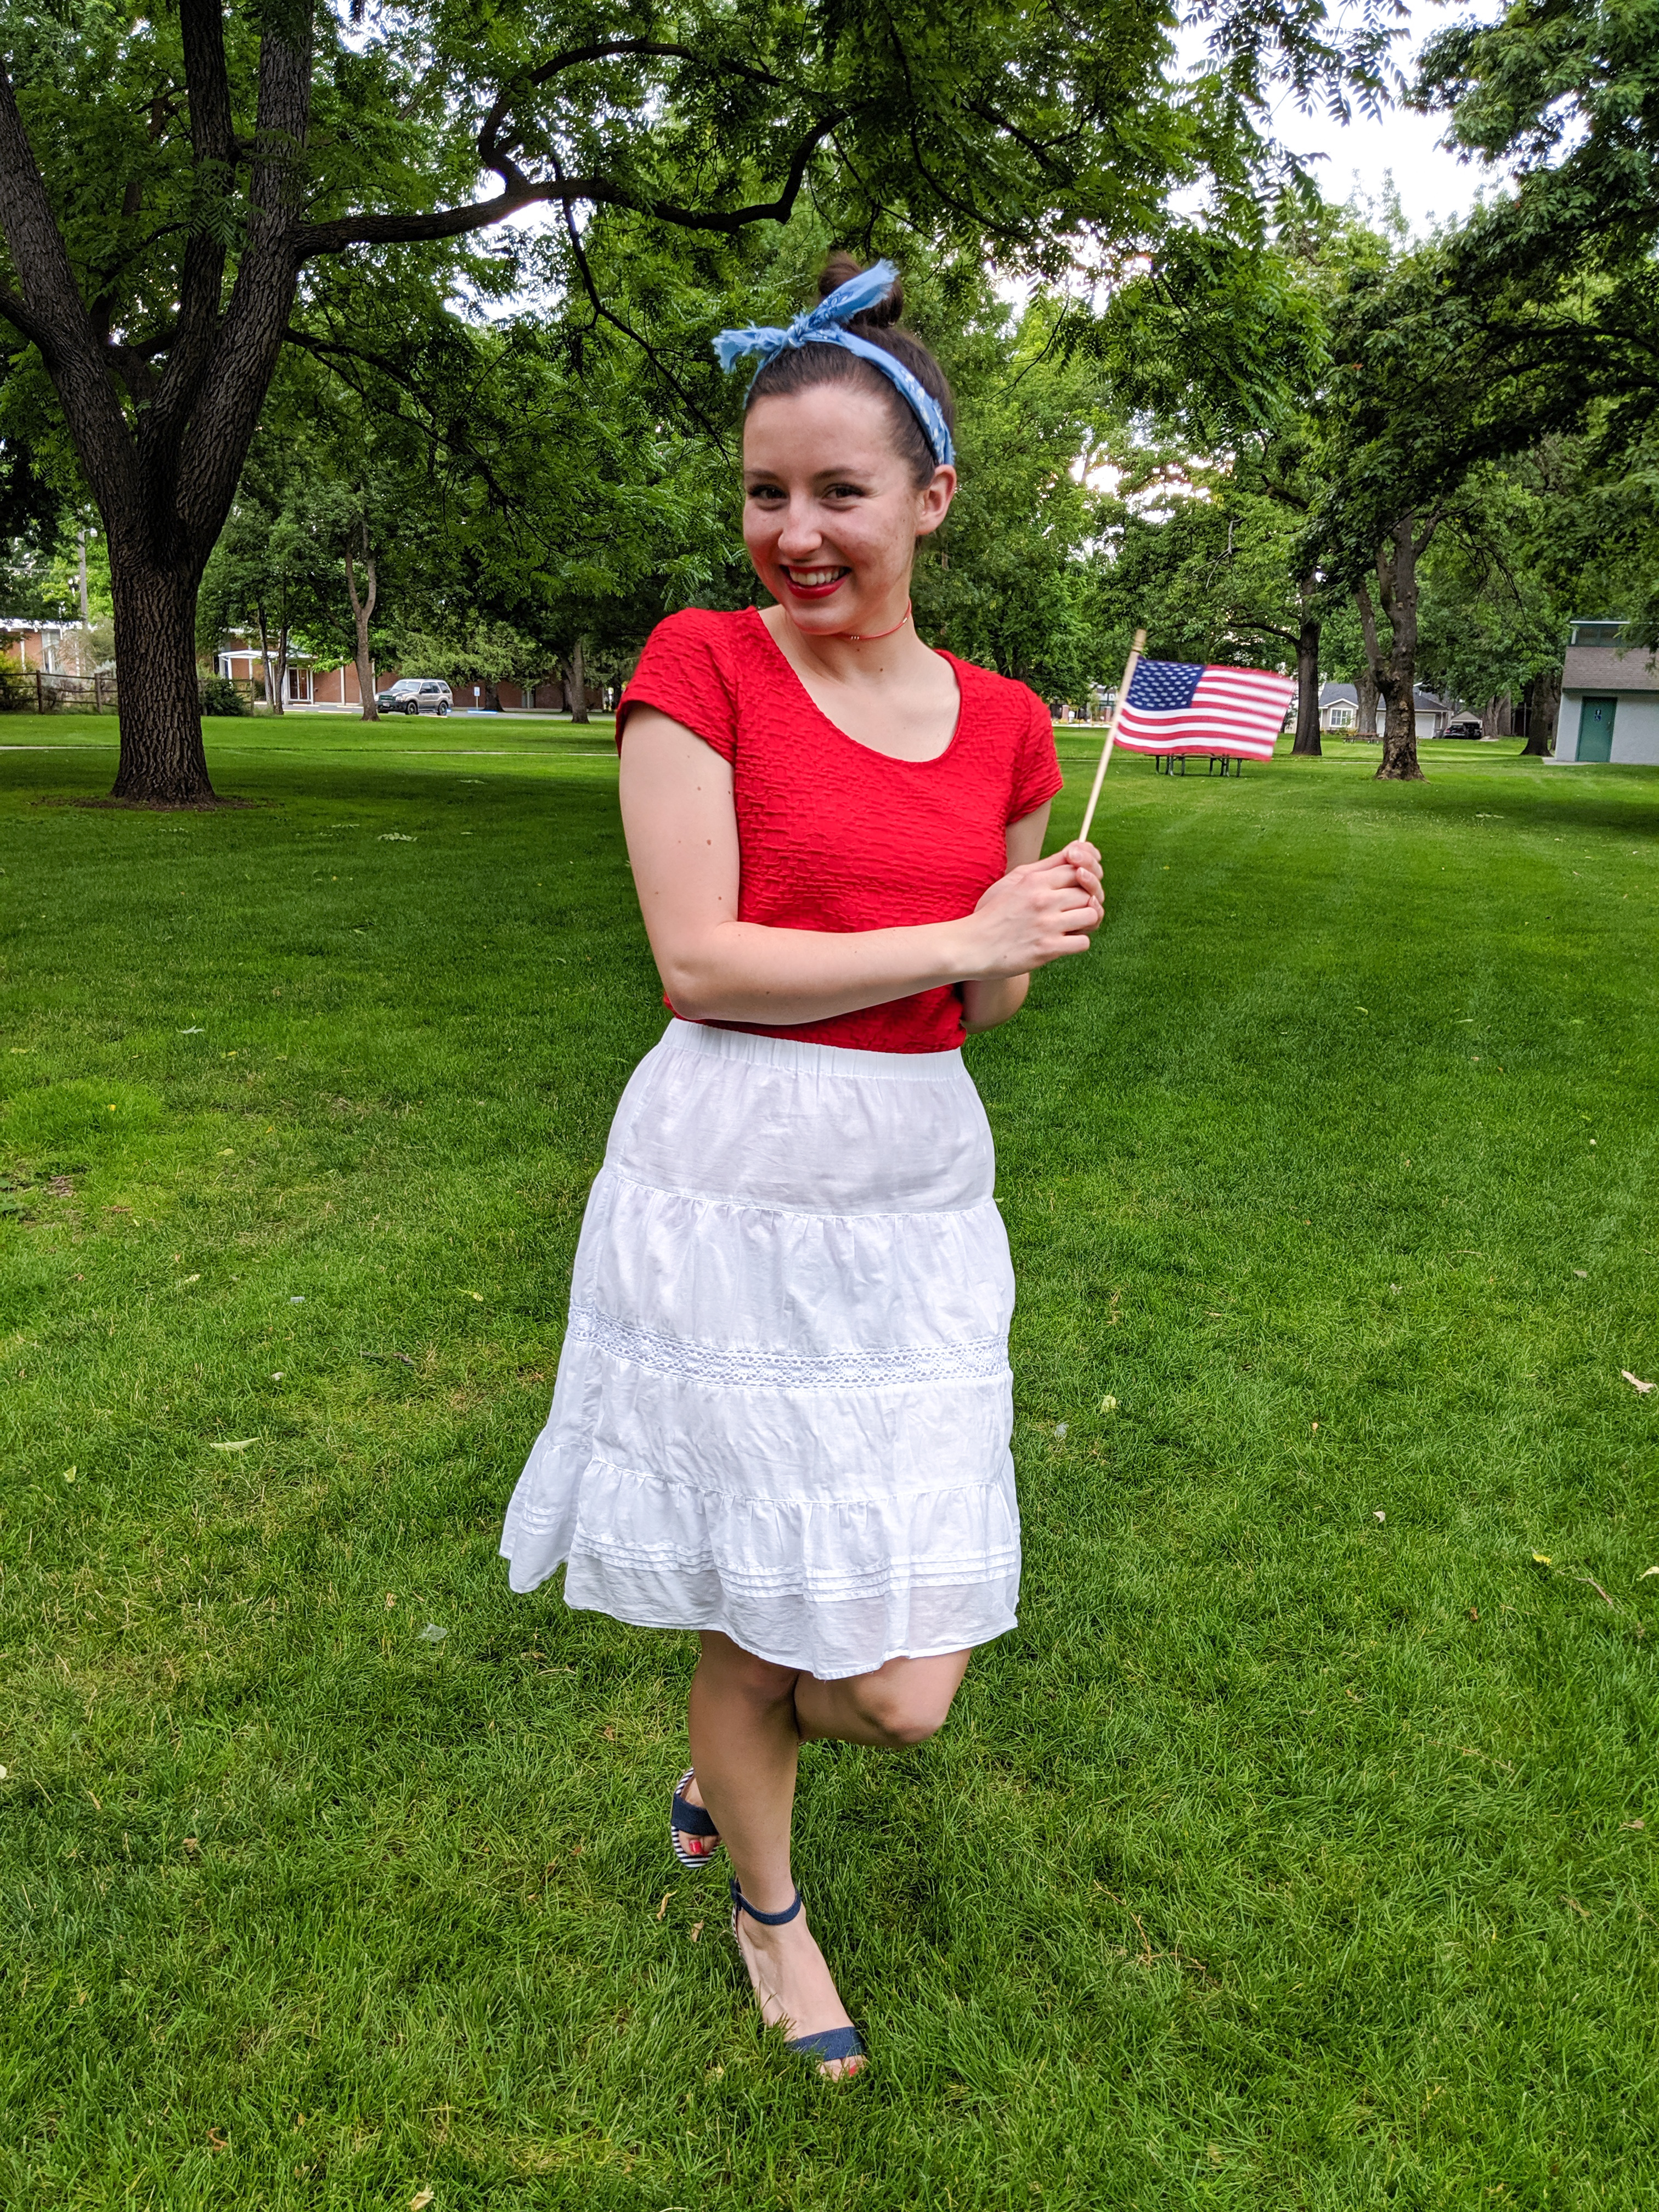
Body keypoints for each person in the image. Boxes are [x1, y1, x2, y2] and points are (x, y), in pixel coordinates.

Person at [500, 255, 1103, 2079]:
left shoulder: (1007, 721)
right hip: (734, 1167)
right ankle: (773, 1916)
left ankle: (725, 1757)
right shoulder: (703, 665)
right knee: (760, 1595)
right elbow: (702, 960)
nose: (797, 530)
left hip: (914, 1190)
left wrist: (1025, 929)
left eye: (839, 491)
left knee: (902, 1690)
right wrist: (953, 935)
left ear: (931, 497)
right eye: (767, 490)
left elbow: (972, 1006)